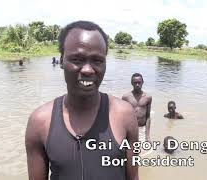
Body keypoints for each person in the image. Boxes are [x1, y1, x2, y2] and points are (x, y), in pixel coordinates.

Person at [25, 21, 139, 180]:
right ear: (61, 61)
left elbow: (133, 177)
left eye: (97, 61)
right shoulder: (40, 121)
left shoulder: (125, 115)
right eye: (77, 60)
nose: (87, 70)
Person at [122, 73, 152, 142]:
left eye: (139, 82)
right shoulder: (126, 97)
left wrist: (147, 136)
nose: (137, 85)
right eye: (135, 83)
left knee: (144, 149)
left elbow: (148, 117)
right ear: (131, 83)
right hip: (130, 128)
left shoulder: (148, 97)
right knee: (127, 150)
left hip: (142, 128)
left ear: (142, 83)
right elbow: (123, 117)